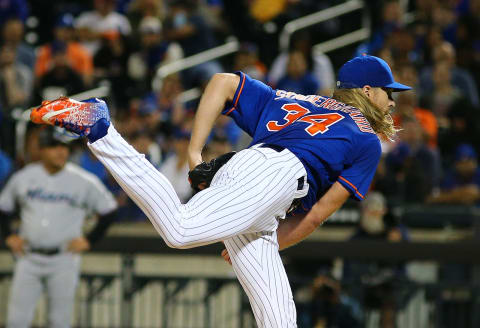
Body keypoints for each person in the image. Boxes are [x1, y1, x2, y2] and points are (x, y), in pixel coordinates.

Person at [30, 54, 411, 327]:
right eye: (387, 91)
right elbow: (317, 214)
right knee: (180, 231)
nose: (393, 100)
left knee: (279, 319)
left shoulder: (296, 99)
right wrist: (274, 240)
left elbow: (223, 82)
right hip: (275, 177)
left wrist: (197, 150)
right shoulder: (366, 138)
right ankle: (102, 131)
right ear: (366, 90)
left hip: (260, 186)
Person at [0, 126, 118, 328]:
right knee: (16, 321)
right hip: (28, 257)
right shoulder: (25, 176)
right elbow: (4, 208)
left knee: (60, 322)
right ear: (42, 150)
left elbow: (109, 210)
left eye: (64, 147)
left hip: (64, 259)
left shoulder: (83, 180)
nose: (61, 151)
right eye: (54, 146)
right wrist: (8, 236)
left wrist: (90, 240)